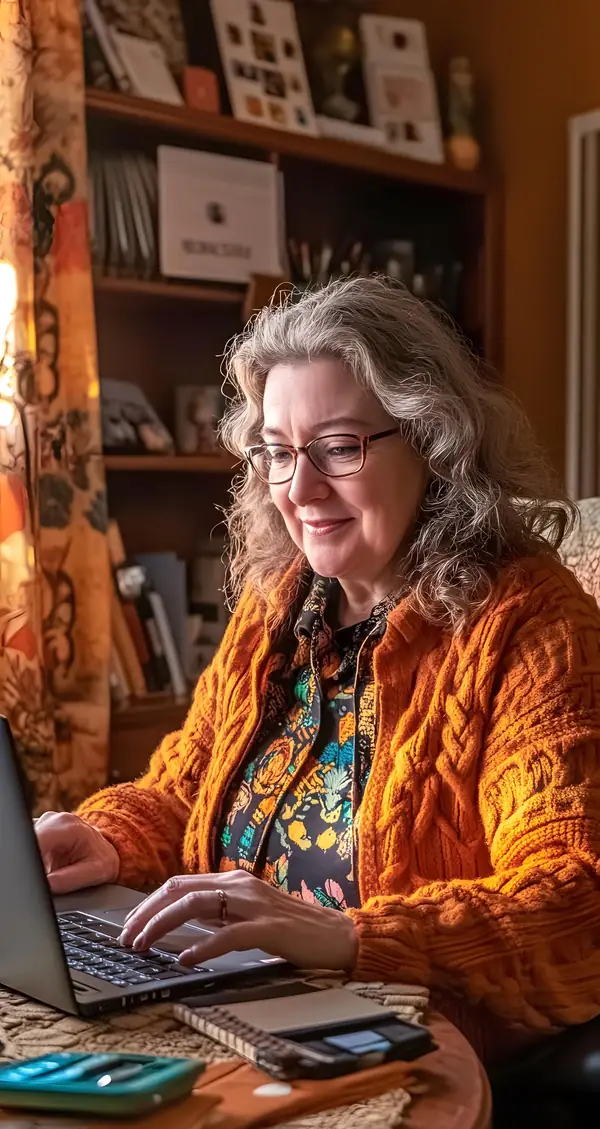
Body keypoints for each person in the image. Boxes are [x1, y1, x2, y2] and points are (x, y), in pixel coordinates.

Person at [36, 276, 600, 1066]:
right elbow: (185, 791)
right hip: (225, 1011)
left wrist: (346, 936)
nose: (299, 490)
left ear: (433, 440)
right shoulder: (280, 604)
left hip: (414, 1047)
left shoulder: (530, 627)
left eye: (339, 447)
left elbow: (575, 900)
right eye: (277, 452)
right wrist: (106, 838)